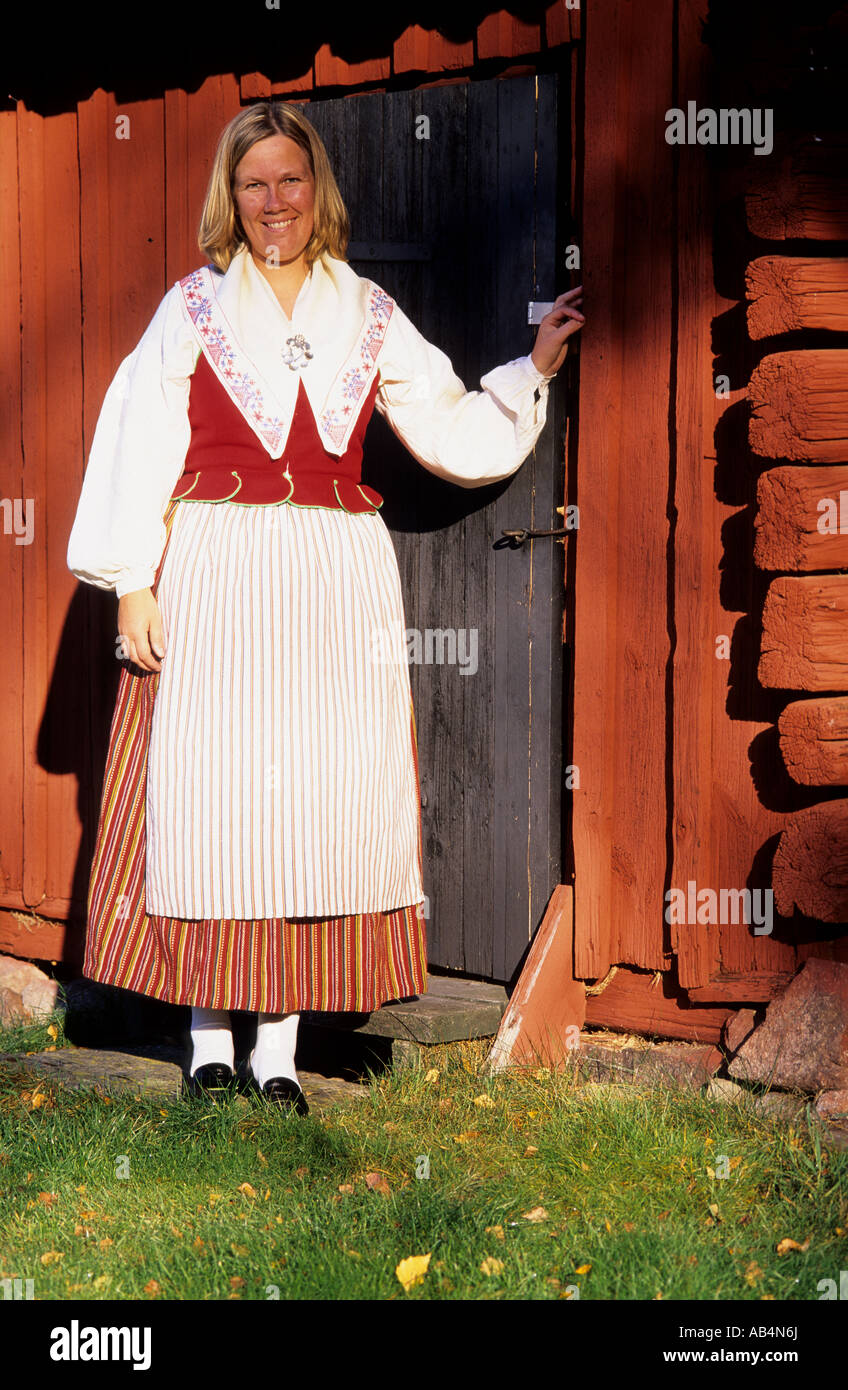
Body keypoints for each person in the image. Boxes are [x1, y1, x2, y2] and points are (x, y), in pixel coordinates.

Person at [66, 100, 585, 1115]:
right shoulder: (193, 308)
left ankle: (278, 1051)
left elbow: (442, 421)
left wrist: (533, 370)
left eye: (290, 182)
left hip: (336, 576)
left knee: (317, 795)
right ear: (232, 195)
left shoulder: (366, 311)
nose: (274, 202)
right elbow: (137, 441)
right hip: (215, 565)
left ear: (317, 194)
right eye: (254, 183)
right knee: (216, 794)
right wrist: (132, 584)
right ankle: (208, 1038)